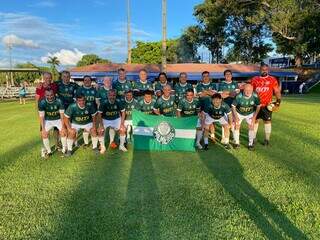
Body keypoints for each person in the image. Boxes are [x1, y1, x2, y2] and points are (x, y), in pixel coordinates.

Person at [250, 64, 281, 146]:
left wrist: (278, 102)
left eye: (266, 69)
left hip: (267, 105)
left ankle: (267, 139)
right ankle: (253, 138)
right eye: (262, 69)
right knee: (255, 121)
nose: (264, 71)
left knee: (267, 121)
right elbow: (250, 91)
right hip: (256, 105)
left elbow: (277, 91)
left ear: (268, 70)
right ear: (259, 70)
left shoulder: (272, 79)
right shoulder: (254, 79)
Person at [38, 88, 67, 158]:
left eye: (51, 95)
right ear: (45, 95)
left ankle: (64, 150)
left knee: (63, 132)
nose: (50, 97)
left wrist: (63, 127)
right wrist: (43, 129)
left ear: (54, 94)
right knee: (44, 134)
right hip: (48, 120)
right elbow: (41, 117)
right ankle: (49, 151)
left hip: (58, 119)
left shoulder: (59, 101)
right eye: (47, 95)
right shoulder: (42, 102)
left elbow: (62, 115)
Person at [231, 84, 261, 151]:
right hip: (239, 113)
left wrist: (254, 117)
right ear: (243, 90)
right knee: (237, 125)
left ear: (252, 90)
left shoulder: (255, 96)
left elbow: (258, 106)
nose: (248, 91)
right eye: (246, 90)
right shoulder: (239, 96)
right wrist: (236, 117)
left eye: (250, 90)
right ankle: (236, 143)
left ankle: (250, 144)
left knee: (251, 126)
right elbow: (233, 106)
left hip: (250, 113)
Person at [97, 89, 127, 153]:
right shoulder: (103, 102)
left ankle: (121, 146)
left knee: (123, 129)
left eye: (113, 95)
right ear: (107, 95)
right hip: (105, 119)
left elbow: (123, 112)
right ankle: (103, 147)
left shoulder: (118, 101)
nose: (112, 97)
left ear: (115, 95)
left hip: (116, 119)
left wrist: (122, 123)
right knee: (100, 131)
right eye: (110, 95)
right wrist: (101, 125)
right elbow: (99, 114)